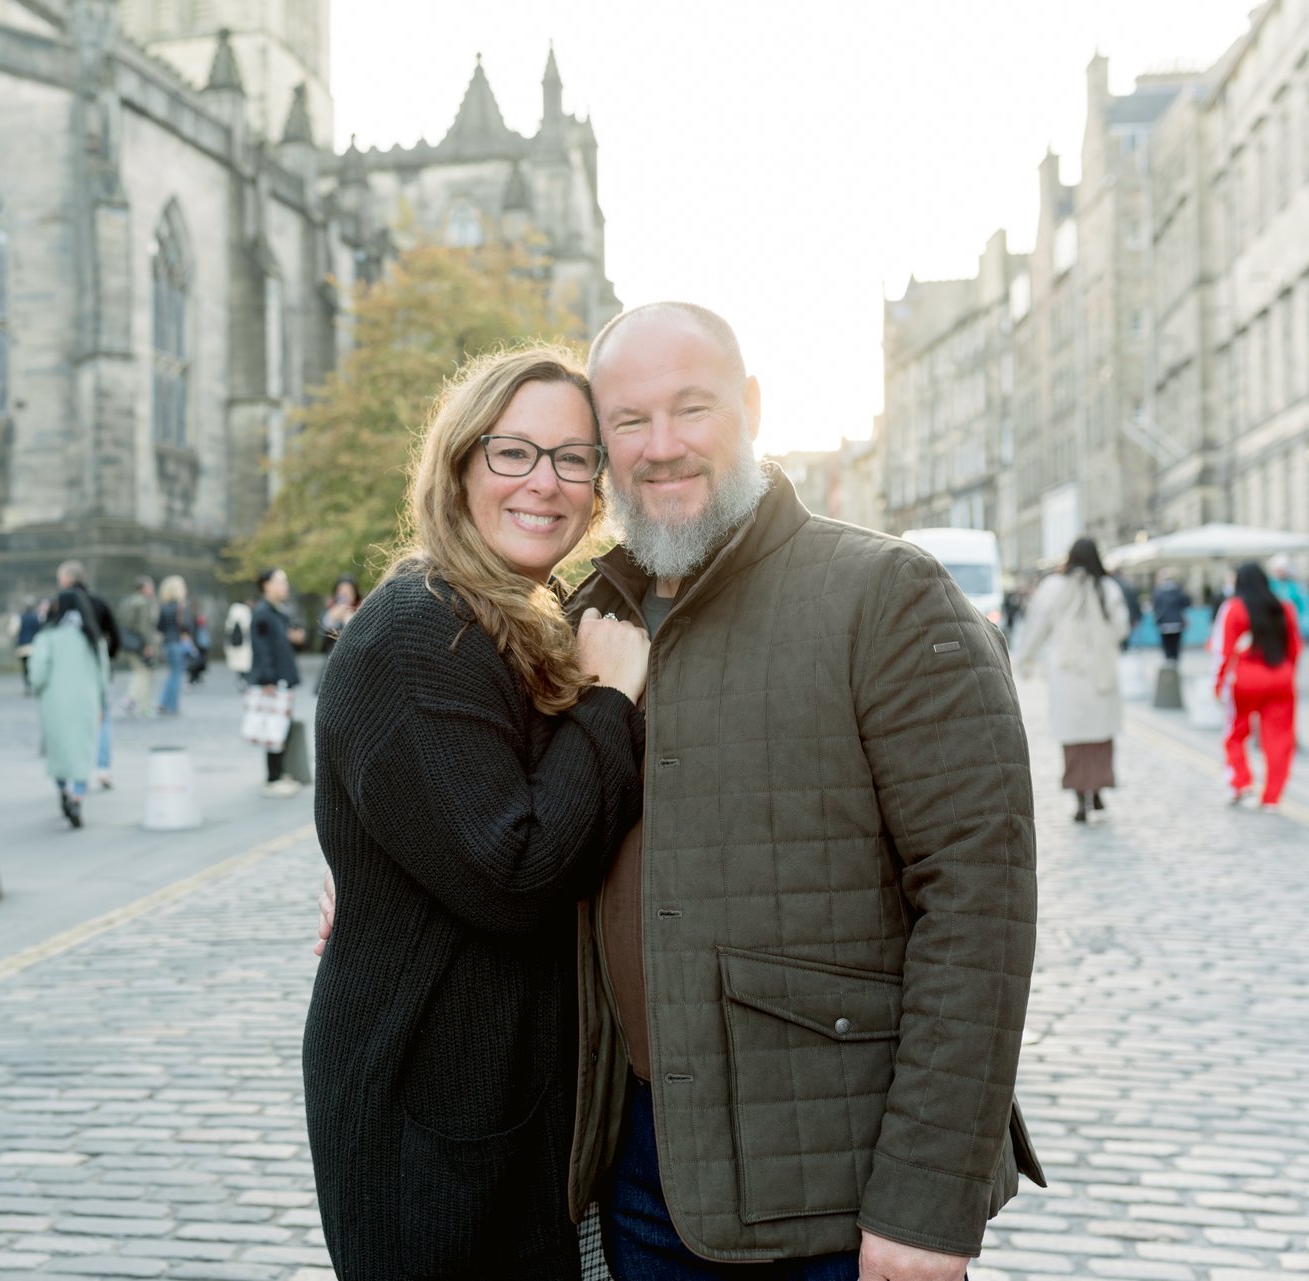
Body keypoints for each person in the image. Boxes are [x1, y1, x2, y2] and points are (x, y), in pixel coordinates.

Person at [319, 303, 1042, 1278]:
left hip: (830, 1197)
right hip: (631, 1182)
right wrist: (375, 891)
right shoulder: (581, 617)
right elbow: (495, 817)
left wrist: (926, 1204)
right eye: (628, 421)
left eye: (691, 408)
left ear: (751, 407)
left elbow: (980, 906)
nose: (661, 446)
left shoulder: (887, 595)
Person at [304, 345, 650, 1281]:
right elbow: (517, 872)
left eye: (573, 458)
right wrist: (607, 701)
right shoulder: (418, 629)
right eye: (514, 452)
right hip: (432, 1131)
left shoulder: (523, 612)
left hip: (500, 1107)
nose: (545, 481)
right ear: (459, 466)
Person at [1016, 537, 1130, 824]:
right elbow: (1121, 627)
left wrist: (1026, 658)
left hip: (1068, 675)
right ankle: (1098, 790)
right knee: (1100, 735)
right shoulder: (1107, 587)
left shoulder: (1054, 587)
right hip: (1100, 673)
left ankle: (1080, 798)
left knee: (1074, 739)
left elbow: (1037, 624)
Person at [1218, 561, 1302, 810]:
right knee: (1279, 738)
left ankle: (1241, 782)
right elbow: (1295, 647)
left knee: (1236, 734)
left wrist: (1219, 684)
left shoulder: (1234, 608)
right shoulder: (1284, 608)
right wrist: (1288, 672)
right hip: (1280, 677)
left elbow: (1225, 651)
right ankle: (1271, 797)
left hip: (1246, 679)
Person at [30, 584, 109, 827]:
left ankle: (63, 790)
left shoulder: (47, 637)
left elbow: (38, 674)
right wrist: (102, 703)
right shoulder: (93, 638)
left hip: (55, 702)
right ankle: (77, 796)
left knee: (59, 750)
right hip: (86, 700)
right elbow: (103, 675)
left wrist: (37, 690)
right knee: (83, 750)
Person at [58, 561, 120, 788]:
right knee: (102, 718)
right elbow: (115, 636)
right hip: (96, 669)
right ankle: (102, 768)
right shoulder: (99, 602)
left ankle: (71, 771)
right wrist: (106, 658)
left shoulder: (59, 605)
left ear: (67, 579)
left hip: (67, 673)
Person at [248, 568, 307, 797]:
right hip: (274, 681)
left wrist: (297, 640)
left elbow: (285, 646)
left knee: (282, 727)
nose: (285, 586)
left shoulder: (280, 612)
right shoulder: (263, 613)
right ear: (266, 585)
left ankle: (280, 774)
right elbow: (261, 649)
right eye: (280, 582)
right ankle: (273, 778)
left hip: (283, 676)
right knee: (273, 730)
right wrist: (267, 680)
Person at [115, 577, 161, 714]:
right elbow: (144, 626)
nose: (152, 589)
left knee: (142, 672)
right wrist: (148, 645)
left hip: (132, 642)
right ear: (143, 588)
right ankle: (136, 701)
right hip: (141, 643)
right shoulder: (142, 603)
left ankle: (140, 703)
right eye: (150, 586)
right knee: (144, 673)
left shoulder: (130, 601)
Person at [155, 576, 195, 715]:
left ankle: (164, 702)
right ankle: (172, 706)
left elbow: (159, 626)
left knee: (171, 673)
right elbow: (186, 625)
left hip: (167, 643)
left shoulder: (163, 606)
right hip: (178, 642)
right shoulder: (181, 606)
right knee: (176, 675)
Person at [1268, 554, 1309, 641]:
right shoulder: (1271, 585)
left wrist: (1306, 626)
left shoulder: (1296, 587)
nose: (1278, 573)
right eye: (1276, 570)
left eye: (1280, 570)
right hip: (1276, 625)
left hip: (1293, 624)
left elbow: (1306, 607)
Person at [1151, 575, 1191, 664]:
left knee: (1167, 644)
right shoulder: (1178, 592)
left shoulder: (1158, 592)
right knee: (1175, 643)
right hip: (1177, 622)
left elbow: (1155, 607)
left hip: (1164, 622)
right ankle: (1174, 660)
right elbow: (1186, 604)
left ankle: (1169, 660)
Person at [13, 597, 47, 694]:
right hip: (35, 645)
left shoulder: (19, 617)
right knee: (34, 666)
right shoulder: (38, 616)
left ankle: (28, 685)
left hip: (23, 646)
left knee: (25, 668)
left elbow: (13, 631)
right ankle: (33, 684)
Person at [320, 575, 362, 651]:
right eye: (341, 590)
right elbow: (322, 639)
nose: (345, 593)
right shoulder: (329, 609)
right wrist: (331, 618)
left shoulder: (361, 610)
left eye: (349, 590)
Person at [223, 598, 255, 685]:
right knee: (245, 662)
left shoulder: (232, 611)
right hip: (245, 642)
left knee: (238, 662)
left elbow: (228, 627)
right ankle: (244, 679)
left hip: (234, 642)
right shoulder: (245, 611)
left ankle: (241, 678)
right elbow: (248, 626)